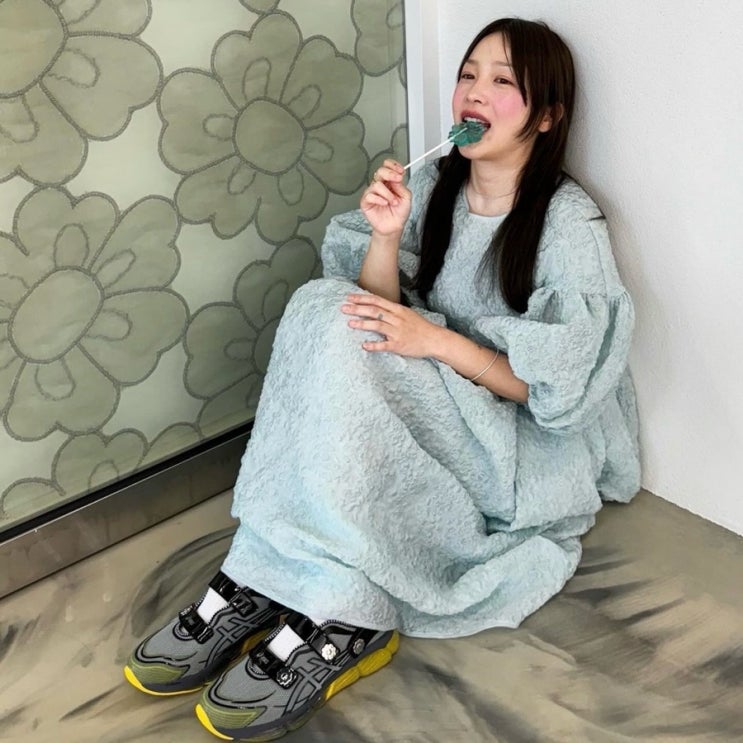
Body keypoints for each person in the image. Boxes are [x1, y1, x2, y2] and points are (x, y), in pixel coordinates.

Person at [124, 17, 640, 741]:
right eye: (467, 75)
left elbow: (551, 393)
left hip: (514, 443)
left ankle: (346, 610)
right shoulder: (433, 183)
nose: (474, 92)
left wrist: (436, 341)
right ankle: (263, 569)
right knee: (322, 306)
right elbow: (373, 312)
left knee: (341, 323)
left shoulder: (567, 226)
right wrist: (388, 234)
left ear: (547, 116)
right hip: (442, 399)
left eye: (502, 82)